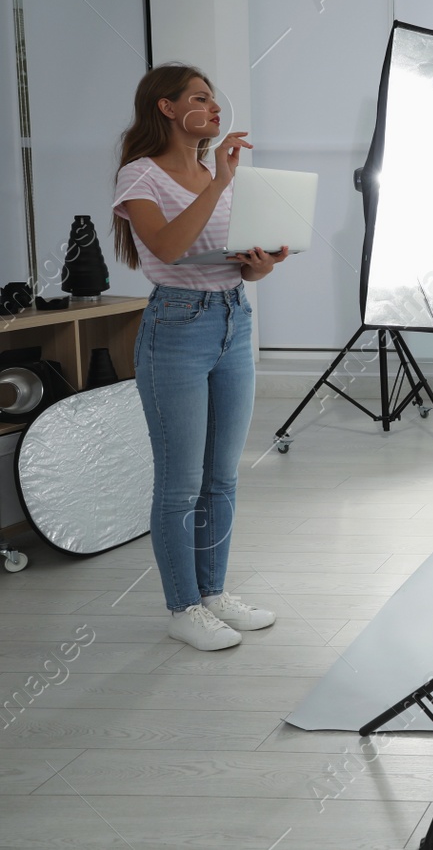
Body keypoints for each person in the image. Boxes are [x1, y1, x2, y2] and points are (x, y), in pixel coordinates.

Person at [112, 64, 289, 652]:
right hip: (175, 327)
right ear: (165, 108)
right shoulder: (141, 175)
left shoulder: (224, 178)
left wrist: (261, 263)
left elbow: (233, 259)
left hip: (233, 320)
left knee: (222, 478)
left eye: (214, 99)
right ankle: (182, 607)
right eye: (200, 99)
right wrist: (217, 181)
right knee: (181, 483)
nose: (215, 109)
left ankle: (212, 594)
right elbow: (164, 246)